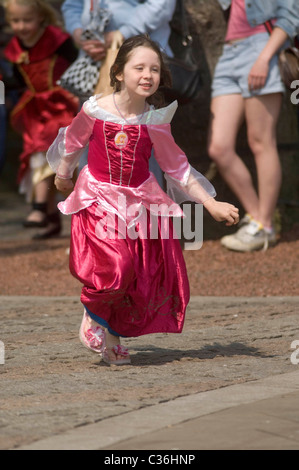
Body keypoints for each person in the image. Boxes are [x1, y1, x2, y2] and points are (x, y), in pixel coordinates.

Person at [46, 34, 239, 365]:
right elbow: (72, 143)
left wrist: (210, 203)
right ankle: (92, 314)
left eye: (154, 69)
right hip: (98, 198)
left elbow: (177, 168)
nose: (147, 75)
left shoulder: (156, 121)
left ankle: (111, 334)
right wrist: (63, 176)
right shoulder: (94, 110)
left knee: (135, 271)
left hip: (139, 203)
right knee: (117, 266)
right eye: (139, 68)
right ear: (119, 72)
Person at [208, 0, 299, 252]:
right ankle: (258, 217)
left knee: (260, 141)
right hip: (229, 52)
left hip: (261, 46)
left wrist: (265, 57)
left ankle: (265, 225)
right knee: (219, 147)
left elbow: (292, 14)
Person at [60, 0, 177, 188]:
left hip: (137, 57)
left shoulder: (147, 76)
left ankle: (144, 207)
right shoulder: (92, 108)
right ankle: (93, 202)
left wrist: (123, 34)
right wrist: (80, 34)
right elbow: (72, 5)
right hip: (93, 64)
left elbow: (160, 5)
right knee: (92, 141)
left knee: (144, 145)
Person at [3, 0, 79, 239]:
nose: (22, 26)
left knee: (57, 155)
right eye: (16, 21)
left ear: (40, 18)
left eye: (27, 20)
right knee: (37, 155)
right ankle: (47, 216)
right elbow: (15, 81)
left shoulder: (58, 40)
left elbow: (77, 65)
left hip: (60, 103)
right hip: (35, 109)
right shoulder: (14, 48)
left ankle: (42, 210)